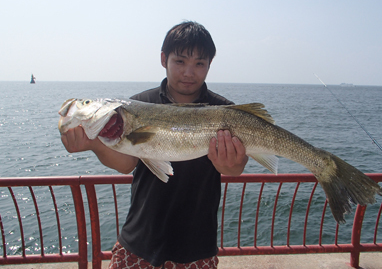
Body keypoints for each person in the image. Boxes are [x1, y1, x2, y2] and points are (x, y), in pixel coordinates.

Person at [61, 21, 248, 269]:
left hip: (197, 247)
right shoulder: (137, 105)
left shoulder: (226, 112)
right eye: (180, 61)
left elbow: (235, 168)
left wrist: (232, 164)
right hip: (139, 241)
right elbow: (127, 163)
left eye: (199, 64)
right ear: (164, 59)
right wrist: (95, 145)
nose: (189, 73)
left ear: (209, 65)